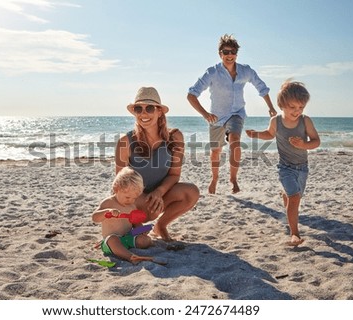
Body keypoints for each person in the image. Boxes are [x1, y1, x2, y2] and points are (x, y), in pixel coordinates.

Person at [187, 34, 277, 194]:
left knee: (235, 140)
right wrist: (205, 114)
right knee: (216, 151)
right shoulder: (212, 72)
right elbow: (191, 95)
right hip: (216, 116)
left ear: (236, 53)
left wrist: (270, 107)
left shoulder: (245, 71)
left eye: (233, 52)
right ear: (220, 53)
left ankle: (233, 179)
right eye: (226, 52)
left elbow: (261, 87)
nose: (230, 55)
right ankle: (214, 179)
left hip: (237, 113)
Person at [115, 87, 200, 242]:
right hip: (134, 198)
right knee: (145, 226)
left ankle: (160, 226)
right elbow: (120, 185)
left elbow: (174, 175)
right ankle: (137, 226)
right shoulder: (125, 142)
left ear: (159, 112)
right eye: (138, 108)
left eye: (149, 108)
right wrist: (142, 202)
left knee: (191, 192)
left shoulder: (175, 137)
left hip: (161, 194)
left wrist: (159, 192)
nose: (143, 113)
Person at [246, 80, 320, 246]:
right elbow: (270, 134)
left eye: (301, 107)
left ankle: (286, 195)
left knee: (294, 196)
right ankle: (294, 234)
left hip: (302, 168)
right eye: (293, 107)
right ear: (282, 105)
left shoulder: (305, 121)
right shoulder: (276, 121)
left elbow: (316, 141)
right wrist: (256, 134)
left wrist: (303, 145)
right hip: (285, 167)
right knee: (294, 198)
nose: (297, 111)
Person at [92, 166, 154, 263]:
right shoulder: (108, 203)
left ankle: (131, 247)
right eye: (128, 197)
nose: (131, 201)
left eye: (134, 198)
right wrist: (107, 212)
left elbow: (135, 223)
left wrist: (141, 230)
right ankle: (130, 257)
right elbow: (94, 217)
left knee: (145, 241)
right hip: (111, 240)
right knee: (113, 240)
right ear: (116, 189)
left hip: (127, 237)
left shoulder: (132, 206)